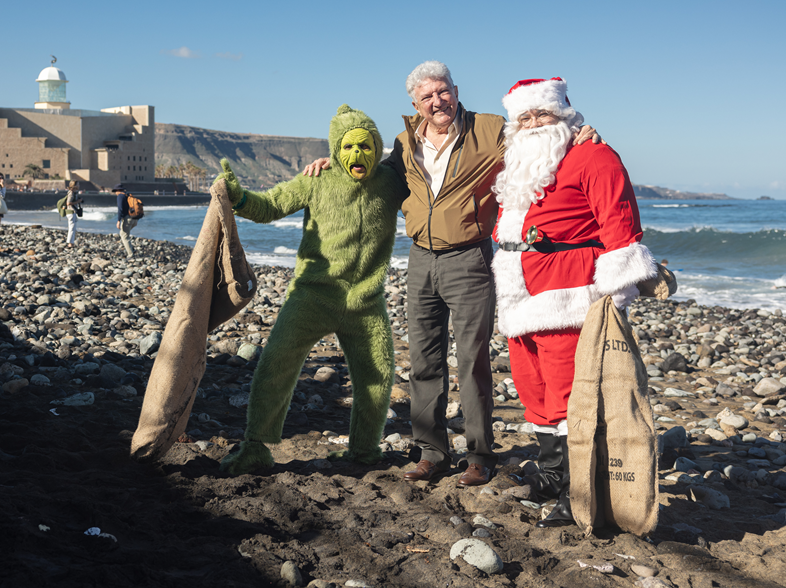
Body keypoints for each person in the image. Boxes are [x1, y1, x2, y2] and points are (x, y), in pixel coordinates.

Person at [305, 61, 598, 488]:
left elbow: (538, 135)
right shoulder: (404, 142)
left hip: (470, 259)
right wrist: (332, 166)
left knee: (473, 361)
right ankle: (431, 452)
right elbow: (372, 177)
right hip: (420, 260)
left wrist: (580, 132)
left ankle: (479, 455)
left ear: (456, 91)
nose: (437, 101)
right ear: (415, 104)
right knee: (424, 360)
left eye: (443, 91)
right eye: (427, 96)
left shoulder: (490, 129)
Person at [490, 77, 657, 527]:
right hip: (519, 293)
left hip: (568, 294)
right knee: (533, 387)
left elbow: (620, 224)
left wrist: (615, 296)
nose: (534, 124)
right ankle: (551, 472)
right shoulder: (516, 160)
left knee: (570, 394)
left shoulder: (593, 154)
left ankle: (577, 490)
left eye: (542, 114)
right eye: (524, 117)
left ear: (564, 114)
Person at [218, 104, 409, 476]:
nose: (357, 154)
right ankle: (255, 446)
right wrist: (239, 198)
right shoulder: (317, 179)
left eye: (365, 146)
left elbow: (430, 189)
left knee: (378, 374)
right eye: (348, 147)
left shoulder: (392, 181)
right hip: (312, 295)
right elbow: (272, 204)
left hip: (365, 302)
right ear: (336, 149)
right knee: (276, 363)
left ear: (377, 147)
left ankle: (364, 449)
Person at [113, 183, 137, 257]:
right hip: (134, 219)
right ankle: (131, 249)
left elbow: (120, 209)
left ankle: (130, 255)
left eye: (115, 191)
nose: (115, 193)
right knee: (124, 234)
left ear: (118, 190)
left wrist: (118, 220)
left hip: (127, 219)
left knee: (124, 236)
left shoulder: (120, 196)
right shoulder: (128, 195)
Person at [65, 180, 83, 248]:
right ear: (74, 185)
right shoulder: (71, 193)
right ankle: (70, 243)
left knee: (73, 228)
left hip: (72, 212)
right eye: (78, 184)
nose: (79, 186)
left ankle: (71, 243)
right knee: (72, 228)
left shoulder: (74, 192)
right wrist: (78, 201)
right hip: (71, 212)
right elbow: (68, 203)